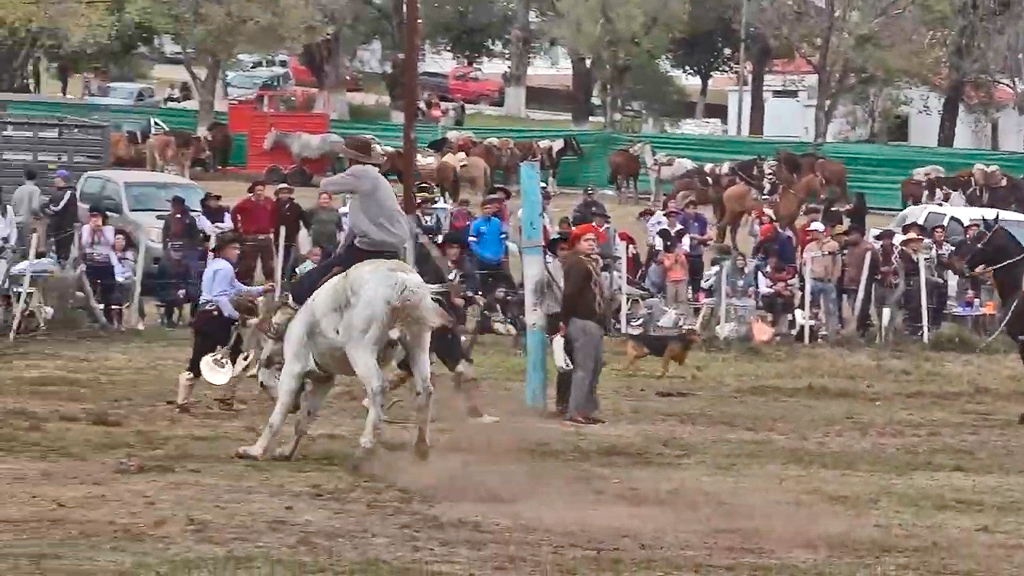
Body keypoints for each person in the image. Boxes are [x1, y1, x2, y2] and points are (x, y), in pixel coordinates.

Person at [289, 136, 407, 308]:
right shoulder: (376, 181)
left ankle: (296, 307)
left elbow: (327, 186)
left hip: (371, 247)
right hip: (395, 248)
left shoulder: (361, 172)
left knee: (312, 279)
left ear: (351, 158)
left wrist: (306, 175)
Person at [178, 233, 273, 413]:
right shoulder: (225, 268)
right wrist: (236, 316)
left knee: (202, 359)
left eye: (238, 248)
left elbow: (237, 288)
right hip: (216, 318)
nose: (238, 252)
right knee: (238, 358)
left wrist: (261, 289)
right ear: (223, 250)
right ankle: (226, 398)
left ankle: (183, 401)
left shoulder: (216, 266)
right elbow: (220, 296)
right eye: (234, 248)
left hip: (206, 316)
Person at [561, 223, 607, 426]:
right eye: (586, 240)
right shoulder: (577, 264)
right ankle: (575, 410)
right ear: (576, 243)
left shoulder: (589, 263)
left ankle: (586, 409)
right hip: (582, 320)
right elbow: (569, 294)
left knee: (594, 367)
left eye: (594, 240)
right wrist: (564, 319)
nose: (592, 244)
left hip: (593, 320)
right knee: (584, 368)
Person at [540, 233, 571, 415]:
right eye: (562, 249)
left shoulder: (577, 267)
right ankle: (562, 403)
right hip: (555, 316)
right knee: (564, 362)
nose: (565, 253)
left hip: (573, 316)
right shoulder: (549, 269)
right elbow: (538, 291)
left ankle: (570, 401)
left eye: (568, 249)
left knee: (574, 361)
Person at [231, 180, 277, 285]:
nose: (260, 192)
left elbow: (275, 214)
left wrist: (272, 226)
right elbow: (234, 213)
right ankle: (247, 287)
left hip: (266, 238)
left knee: (268, 265)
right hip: (250, 238)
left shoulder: (269, 202)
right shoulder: (245, 203)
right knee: (248, 265)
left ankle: (269, 287)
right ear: (253, 191)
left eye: (262, 190)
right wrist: (238, 229)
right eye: (257, 190)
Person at [81, 205, 119, 327]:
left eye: (97, 216)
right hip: (91, 262)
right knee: (90, 289)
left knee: (108, 290)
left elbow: (110, 242)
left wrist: (101, 230)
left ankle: (108, 317)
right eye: (92, 216)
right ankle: (92, 317)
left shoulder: (109, 229)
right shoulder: (86, 228)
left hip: (105, 262)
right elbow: (85, 243)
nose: (95, 219)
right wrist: (92, 231)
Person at [802, 221, 841, 337]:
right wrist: (807, 278)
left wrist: (834, 278)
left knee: (831, 308)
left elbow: (837, 263)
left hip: (828, 282)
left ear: (819, 232)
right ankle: (813, 331)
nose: (811, 234)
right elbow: (804, 264)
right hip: (813, 281)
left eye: (812, 231)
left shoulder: (833, 245)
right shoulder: (809, 247)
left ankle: (831, 332)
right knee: (813, 308)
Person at [468, 195, 509, 296]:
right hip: (483, 260)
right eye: (485, 208)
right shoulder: (476, 224)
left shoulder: (497, 222)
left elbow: (502, 240)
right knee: (484, 286)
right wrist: (481, 254)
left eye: (490, 208)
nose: (488, 211)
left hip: (497, 259)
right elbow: (472, 242)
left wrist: (502, 253)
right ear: (481, 209)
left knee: (502, 284)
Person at [841, 226, 877, 337]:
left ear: (860, 235)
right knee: (852, 305)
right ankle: (857, 327)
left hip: (863, 282)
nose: (849, 237)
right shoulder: (847, 248)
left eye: (852, 234)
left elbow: (876, 263)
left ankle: (863, 328)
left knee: (863, 305)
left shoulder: (868, 248)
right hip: (849, 282)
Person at [154, 245, 196, 328]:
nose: (178, 254)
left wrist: (184, 289)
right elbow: (160, 281)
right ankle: (169, 319)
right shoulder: (164, 264)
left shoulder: (185, 264)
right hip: (166, 290)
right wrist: (175, 290)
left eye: (179, 251)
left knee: (196, 296)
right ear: (171, 252)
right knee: (172, 298)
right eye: (175, 251)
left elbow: (189, 278)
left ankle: (193, 318)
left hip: (183, 290)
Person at [679, 198, 712, 301]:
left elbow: (709, 236)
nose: (694, 211)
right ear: (685, 209)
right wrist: (689, 237)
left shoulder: (701, 219)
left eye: (695, 208)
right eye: (691, 208)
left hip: (697, 254)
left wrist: (698, 238)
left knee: (697, 280)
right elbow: (677, 234)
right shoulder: (680, 219)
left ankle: (696, 302)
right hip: (684, 255)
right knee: (684, 280)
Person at [44, 170, 78, 264]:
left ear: (63, 179)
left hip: (65, 228)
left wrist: (49, 208)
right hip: (58, 229)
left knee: (63, 252)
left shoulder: (69, 193)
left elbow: (58, 207)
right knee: (57, 251)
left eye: (56, 177)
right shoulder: (58, 192)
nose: (54, 180)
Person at [112, 231, 144, 330]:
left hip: (128, 280)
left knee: (135, 290)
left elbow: (133, 270)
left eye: (123, 239)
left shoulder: (129, 254)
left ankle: (140, 320)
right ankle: (118, 322)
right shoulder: (109, 254)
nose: (120, 242)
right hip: (114, 281)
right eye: (118, 239)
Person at [273, 183, 305, 280]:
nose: (284, 195)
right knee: (280, 260)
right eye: (282, 193)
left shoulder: (295, 207)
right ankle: (280, 279)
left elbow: (304, 219)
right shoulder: (273, 206)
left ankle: (289, 279)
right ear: (278, 194)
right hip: (277, 238)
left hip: (291, 238)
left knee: (291, 260)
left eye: (287, 193)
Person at [11, 168, 44, 253]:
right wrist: (41, 215)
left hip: (17, 221)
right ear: (36, 178)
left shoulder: (18, 190)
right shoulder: (35, 190)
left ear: (24, 177)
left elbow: (13, 205)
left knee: (20, 250)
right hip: (29, 222)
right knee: (30, 250)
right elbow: (35, 207)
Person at [928, 223, 952, 331]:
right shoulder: (928, 245)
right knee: (931, 304)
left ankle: (936, 327)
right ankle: (928, 326)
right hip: (931, 278)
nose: (939, 234)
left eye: (941, 232)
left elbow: (951, 261)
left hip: (944, 278)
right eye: (936, 232)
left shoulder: (947, 247)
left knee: (941, 304)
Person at [304, 191, 343, 259]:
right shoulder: (312, 211)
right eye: (322, 199)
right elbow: (306, 222)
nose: (325, 201)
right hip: (316, 241)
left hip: (331, 240)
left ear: (330, 200)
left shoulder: (335, 211)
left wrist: (340, 238)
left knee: (328, 260)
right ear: (319, 200)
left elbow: (339, 226)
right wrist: (309, 231)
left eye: (327, 199)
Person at [660, 236, 689, 316]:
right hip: (671, 280)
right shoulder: (666, 256)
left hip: (681, 279)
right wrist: (673, 258)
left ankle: (682, 315)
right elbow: (667, 266)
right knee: (670, 299)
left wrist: (686, 276)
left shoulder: (681, 256)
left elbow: (685, 266)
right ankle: (670, 315)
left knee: (682, 298)